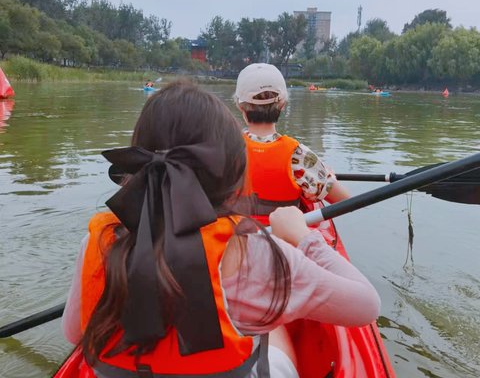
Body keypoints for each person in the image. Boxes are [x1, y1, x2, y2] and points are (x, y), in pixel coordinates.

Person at [61, 80, 380, 377]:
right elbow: (366, 305)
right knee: (272, 327)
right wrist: (303, 236)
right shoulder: (252, 251)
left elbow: (74, 333)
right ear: (231, 175)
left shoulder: (98, 239)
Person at [234, 63, 351, 224]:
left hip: (235, 239)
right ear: (282, 105)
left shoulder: (225, 148)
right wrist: (324, 178)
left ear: (240, 106)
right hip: (283, 243)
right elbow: (346, 202)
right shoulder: (299, 156)